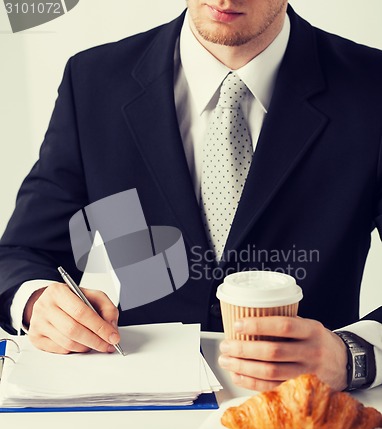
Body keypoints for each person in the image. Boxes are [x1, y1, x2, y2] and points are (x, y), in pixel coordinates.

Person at [1, 0, 381, 392]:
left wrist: (352, 354)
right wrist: (38, 302)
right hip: (135, 411)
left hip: (308, 414)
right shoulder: (94, 82)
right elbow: (21, 255)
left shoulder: (373, 87)